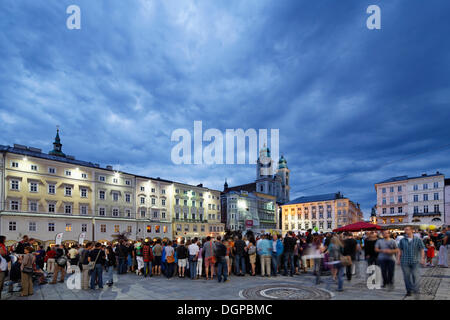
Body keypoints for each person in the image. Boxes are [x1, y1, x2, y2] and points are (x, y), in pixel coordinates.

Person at [397, 226, 425, 297]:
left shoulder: (418, 240)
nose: (406, 231)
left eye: (407, 229)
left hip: (415, 261)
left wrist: (422, 258)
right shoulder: (402, 240)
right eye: (405, 229)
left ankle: (415, 288)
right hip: (405, 261)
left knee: (415, 276)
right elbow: (400, 250)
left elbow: (422, 249)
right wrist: (398, 259)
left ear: (412, 230)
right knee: (406, 277)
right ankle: (409, 291)